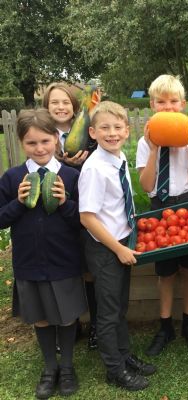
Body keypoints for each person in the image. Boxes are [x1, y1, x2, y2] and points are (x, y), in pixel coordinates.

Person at [0, 109, 87, 398]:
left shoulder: (72, 177)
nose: (39, 149)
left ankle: (68, 366)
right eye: (31, 143)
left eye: (45, 142)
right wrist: (18, 202)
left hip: (64, 260)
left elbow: (82, 222)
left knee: (65, 317)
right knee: (42, 318)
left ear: (56, 139)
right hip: (29, 262)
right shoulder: (13, 178)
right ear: (21, 143)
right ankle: (50, 368)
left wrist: (65, 203)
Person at [79, 101, 156, 392]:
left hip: (122, 241)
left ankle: (124, 356)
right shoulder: (95, 169)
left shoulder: (118, 158)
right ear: (93, 132)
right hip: (105, 248)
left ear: (127, 131)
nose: (112, 133)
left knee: (120, 305)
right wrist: (118, 249)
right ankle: (115, 370)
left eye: (117, 127)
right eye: (105, 128)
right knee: (109, 312)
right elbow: (87, 217)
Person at [136, 75, 188, 356]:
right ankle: (165, 326)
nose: (167, 107)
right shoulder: (146, 142)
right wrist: (154, 149)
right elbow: (146, 185)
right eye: (161, 102)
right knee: (165, 274)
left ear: (183, 104)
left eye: (173, 102)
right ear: (152, 105)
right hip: (159, 206)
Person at [43, 82, 98, 350]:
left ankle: (97, 326)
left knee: (89, 268)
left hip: (85, 203)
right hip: (58, 210)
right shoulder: (43, 135)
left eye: (65, 102)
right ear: (46, 107)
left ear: (74, 106)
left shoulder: (88, 130)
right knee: (67, 266)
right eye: (54, 102)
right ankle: (72, 323)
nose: (61, 107)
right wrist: (64, 164)